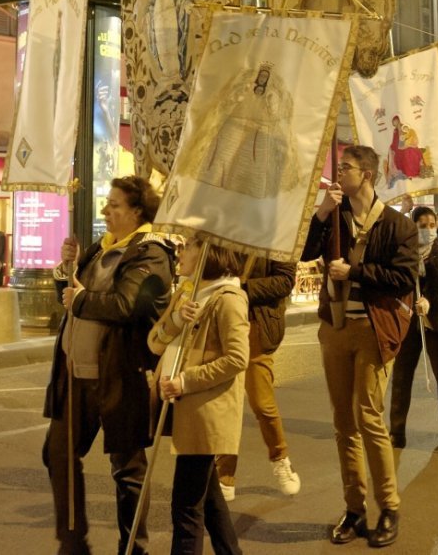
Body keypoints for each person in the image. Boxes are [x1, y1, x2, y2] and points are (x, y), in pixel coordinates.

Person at [42, 176, 175, 555]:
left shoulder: (152, 254)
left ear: (137, 212)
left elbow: (128, 305)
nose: (105, 210)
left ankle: (133, 547)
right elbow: (69, 297)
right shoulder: (102, 249)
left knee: (128, 470)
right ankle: (72, 541)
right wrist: (67, 267)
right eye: (107, 203)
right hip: (75, 376)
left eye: (114, 205)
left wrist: (80, 300)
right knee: (58, 454)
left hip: (119, 376)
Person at [301, 145, 418, 548]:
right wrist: (320, 212)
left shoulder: (398, 225)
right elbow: (304, 253)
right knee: (342, 423)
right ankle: (354, 508)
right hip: (334, 327)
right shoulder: (335, 217)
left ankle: (389, 506)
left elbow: (402, 277)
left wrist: (355, 272)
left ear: (366, 174)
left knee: (368, 416)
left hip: (372, 328)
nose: (339, 175)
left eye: (345, 168)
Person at [149, 237, 249, 555]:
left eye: (189, 247)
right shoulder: (187, 292)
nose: (181, 253)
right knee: (210, 499)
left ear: (209, 254)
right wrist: (179, 319)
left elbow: (237, 359)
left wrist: (184, 382)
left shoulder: (228, 299)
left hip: (206, 413)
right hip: (185, 409)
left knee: (186, 509)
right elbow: (154, 342)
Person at [214, 258, 300, 502]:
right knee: (225, 400)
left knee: (261, 401)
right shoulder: (229, 228)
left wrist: (242, 289)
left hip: (256, 323)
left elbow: (284, 281)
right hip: (224, 319)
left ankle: (280, 458)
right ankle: (225, 474)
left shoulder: (278, 233)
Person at [390, 206, 438, 447]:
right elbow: (395, 282)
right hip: (408, 322)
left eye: (432, 225)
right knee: (401, 375)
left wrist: (429, 300)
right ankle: (397, 431)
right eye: (423, 225)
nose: (429, 230)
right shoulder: (405, 253)